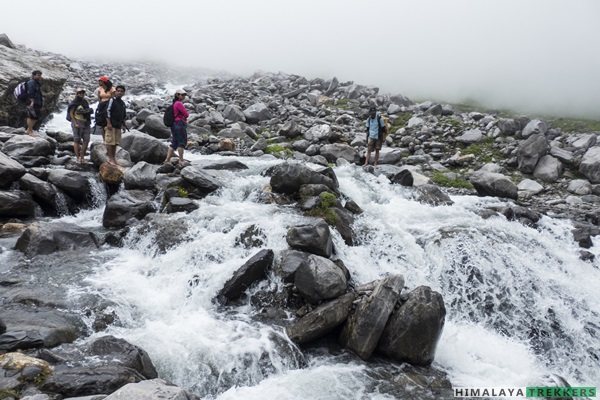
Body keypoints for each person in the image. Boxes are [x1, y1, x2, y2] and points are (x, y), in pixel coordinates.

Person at [164, 89, 190, 166]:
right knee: (181, 142)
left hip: (174, 125)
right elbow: (186, 114)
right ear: (178, 95)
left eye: (184, 95)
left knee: (174, 142)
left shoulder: (174, 103)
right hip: (179, 124)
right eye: (182, 95)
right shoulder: (179, 103)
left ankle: (167, 159)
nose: (184, 96)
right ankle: (181, 160)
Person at [68, 88, 92, 163]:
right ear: (77, 94)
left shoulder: (85, 102)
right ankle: (77, 157)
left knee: (86, 140)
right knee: (77, 140)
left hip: (86, 122)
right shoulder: (74, 102)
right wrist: (75, 123)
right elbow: (71, 113)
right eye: (80, 93)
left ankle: (82, 156)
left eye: (83, 93)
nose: (81, 94)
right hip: (77, 121)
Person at [104, 85, 127, 165]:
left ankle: (113, 158)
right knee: (110, 142)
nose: (120, 92)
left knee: (115, 142)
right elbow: (107, 111)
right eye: (118, 91)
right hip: (111, 124)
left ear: (123, 93)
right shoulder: (112, 100)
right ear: (115, 92)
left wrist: (123, 125)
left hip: (118, 125)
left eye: (121, 91)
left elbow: (123, 115)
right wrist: (108, 123)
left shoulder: (122, 103)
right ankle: (110, 159)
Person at [25, 70, 43, 136]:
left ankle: (28, 130)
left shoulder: (37, 83)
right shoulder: (31, 82)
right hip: (31, 101)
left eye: (40, 75)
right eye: (38, 75)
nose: (40, 76)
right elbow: (30, 92)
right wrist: (32, 102)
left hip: (37, 101)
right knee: (31, 116)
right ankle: (30, 131)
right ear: (33, 75)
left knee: (36, 116)